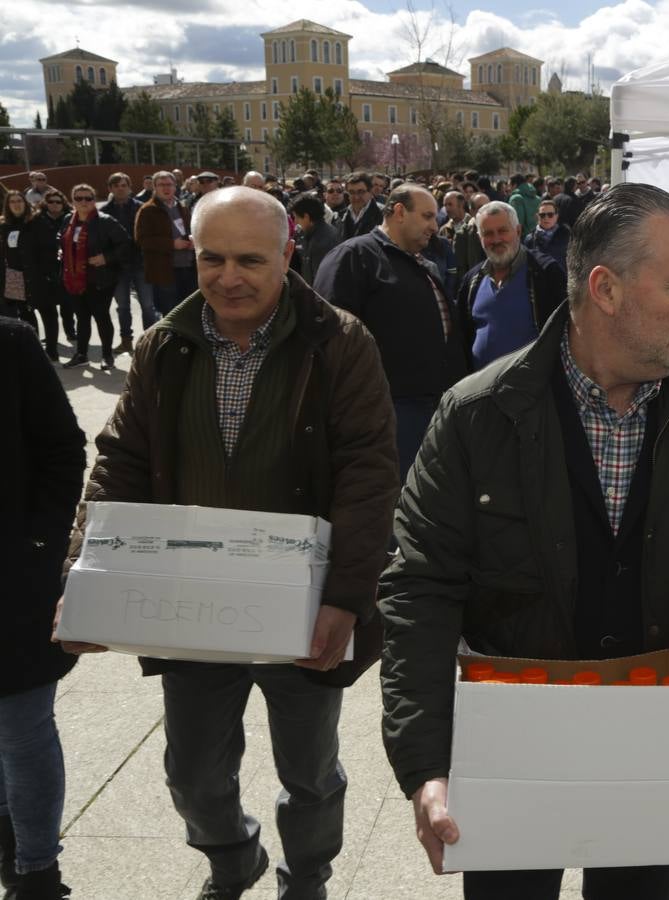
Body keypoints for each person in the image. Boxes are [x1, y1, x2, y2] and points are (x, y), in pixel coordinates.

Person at [379, 181, 669, 900]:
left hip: (656, 752)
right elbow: (420, 591)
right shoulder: (476, 418)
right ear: (605, 290)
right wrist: (426, 764)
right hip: (511, 759)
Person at [58, 186, 400, 900]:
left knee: (309, 773)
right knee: (193, 776)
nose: (228, 277)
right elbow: (120, 460)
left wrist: (345, 598)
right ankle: (230, 856)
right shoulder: (164, 346)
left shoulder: (339, 343)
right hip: (191, 606)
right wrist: (83, 579)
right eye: (212, 257)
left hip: (304, 609)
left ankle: (305, 877)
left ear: (287, 255)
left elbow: (369, 474)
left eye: (250, 259)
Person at [1, 318, 85, 900]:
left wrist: (38, 549)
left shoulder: (10, 344)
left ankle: (36, 871)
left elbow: (63, 450)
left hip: (12, 583)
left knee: (22, 729)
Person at [315, 184, 469, 481]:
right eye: (426, 216)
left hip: (431, 409)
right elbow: (330, 338)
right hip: (386, 413)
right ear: (399, 211)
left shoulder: (420, 263)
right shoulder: (353, 257)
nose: (434, 226)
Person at [453, 200, 567, 372]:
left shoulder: (544, 272)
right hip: (480, 391)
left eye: (503, 231)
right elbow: (463, 335)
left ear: (518, 231)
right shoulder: (472, 281)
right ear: (479, 238)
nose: (496, 239)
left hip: (533, 392)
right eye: (488, 233)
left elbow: (565, 332)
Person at [60, 183, 130, 371]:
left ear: (94, 200)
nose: (83, 202)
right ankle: (81, 354)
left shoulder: (106, 221)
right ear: (72, 200)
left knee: (101, 317)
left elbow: (126, 245)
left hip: (101, 279)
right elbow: (63, 240)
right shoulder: (68, 219)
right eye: (78, 198)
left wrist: (106, 257)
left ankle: (107, 355)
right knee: (82, 318)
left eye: (88, 198)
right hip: (74, 279)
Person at [100, 172, 157, 352]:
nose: (120, 188)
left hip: (141, 264)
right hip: (118, 267)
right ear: (110, 189)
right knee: (123, 307)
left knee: (148, 306)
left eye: (123, 185)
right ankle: (126, 341)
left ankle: (149, 341)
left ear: (130, 187)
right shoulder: (103, 212)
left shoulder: (143, 208)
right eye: (116, 185)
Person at [134, 171, 197, 316]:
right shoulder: (147, 210)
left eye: (169, 184)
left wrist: (193, 238)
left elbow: (188, 229)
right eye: (161, 185)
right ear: (154, 187)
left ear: (175, 186)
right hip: (165, 272)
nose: (165, 188)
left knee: (189, 312)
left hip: (188, 268)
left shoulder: (182, 206)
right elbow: (142, 240)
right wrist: (171, 244)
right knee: (171, 314)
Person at [29, 190, 79, 357]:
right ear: (46, 203)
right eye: (51, 202)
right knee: (48, 310)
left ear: (63, 203)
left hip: (66, 268)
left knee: (67, 305)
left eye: (58, 202)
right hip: (45, 271)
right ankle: (51, 345)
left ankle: (70, 331)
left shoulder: (70, 218)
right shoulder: (37, 220)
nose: (55, 205)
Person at [1, 191, 38, 332]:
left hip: (34, 273)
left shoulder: (35, 221)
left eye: (19, 201)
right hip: (14, 275)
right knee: (24, 313)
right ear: (7, 206)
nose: (16, 204)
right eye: (12, 202)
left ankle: (49, 349)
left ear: (25, 203)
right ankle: (31, 344)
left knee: (45, 311)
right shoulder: (4, 226)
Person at [290, 195, 339, 287]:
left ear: (306, 217)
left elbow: (322, 282)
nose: (295, 222)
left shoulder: (323, 242)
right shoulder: (305, 234)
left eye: (296, 217)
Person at [522, 197, 570, 267]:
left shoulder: (567, 235)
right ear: (537, 217)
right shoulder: (529, 239)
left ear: (556, 216)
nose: (546, 218)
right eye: (542, 215)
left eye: (550, 215)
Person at [339, 173, 381, 240]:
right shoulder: (340, 215)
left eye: (361, 192)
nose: (356, 197)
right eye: (352, 192)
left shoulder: (383, 215)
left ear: (370, 192)